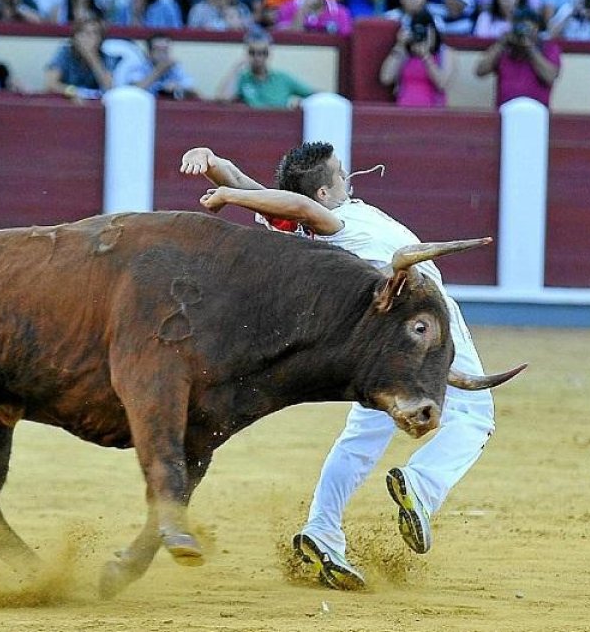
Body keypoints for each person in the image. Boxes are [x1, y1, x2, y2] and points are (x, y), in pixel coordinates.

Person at [180, 141, 502, 591]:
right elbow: (288, 201)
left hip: (379, 339)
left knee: (362, 436)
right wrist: (229, 194)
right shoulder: (334, 220)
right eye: (341, 174)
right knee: (475, 414)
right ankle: (421, 486)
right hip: (424, 319)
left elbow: (254, 188)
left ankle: (322, 531)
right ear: (325, 196)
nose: (350, 178)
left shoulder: (297, 225)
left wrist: (213, 162)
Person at [474, 7, 561, 107]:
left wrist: (530, 48)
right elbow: (479, 71)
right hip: (505, 112)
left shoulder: (549, 49)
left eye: (527, 28)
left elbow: (550, 77)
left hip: (537, 113)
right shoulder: (505, 49)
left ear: (537, 29)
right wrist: (500, 44)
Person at [216, 29, 315, 108]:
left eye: (263, 53)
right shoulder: (243, 78)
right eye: (252, 52)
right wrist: (237, 67)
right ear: (247, 54)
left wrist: (304, 103)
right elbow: (223, 98)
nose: (258, 57)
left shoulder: (282, 78)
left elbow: (315, 94)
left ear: (269, 54)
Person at [379, 10, 454, 107]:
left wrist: (426, 56)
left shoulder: (445, 52)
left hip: (432, 112)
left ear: (434, 33)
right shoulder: (405, 52)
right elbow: (386, 78)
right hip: (404, 109)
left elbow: (442, 84)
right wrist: (400, 45)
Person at [45, 17, 122, 101]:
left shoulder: (106, 57)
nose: (89, 38)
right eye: (84, 33)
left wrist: (92, 57)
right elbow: (51, 83)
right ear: (75, 37)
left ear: (100, 38)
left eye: (94, 33)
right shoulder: (65, 53)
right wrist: (72, 91)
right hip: (68, 101)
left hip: (96, 104)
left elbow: (109, 88)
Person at [121, 32, 197, 99]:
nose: (162, 54)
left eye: (165, 50)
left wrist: (178, 87)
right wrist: (159, 70)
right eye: (158, 50)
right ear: (149, 53)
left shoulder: (174, 67)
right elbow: (134, 91)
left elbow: (192, 90)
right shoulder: (139, 66)